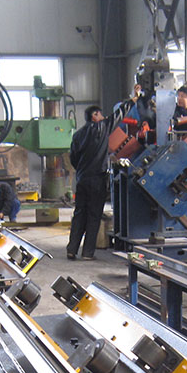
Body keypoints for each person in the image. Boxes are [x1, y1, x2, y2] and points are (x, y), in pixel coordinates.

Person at [66, 84, 140, 260]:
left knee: (79, 214)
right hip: (97, 179)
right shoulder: (102, 127)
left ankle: (72, 249)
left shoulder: (77, 135)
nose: (103, 116)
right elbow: (118, 115)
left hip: (81, 179)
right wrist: (134, 99)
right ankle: (87, 253)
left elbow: (73, 158)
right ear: (94, 116)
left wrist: (82, 170)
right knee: (93, 215)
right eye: (100, 114)